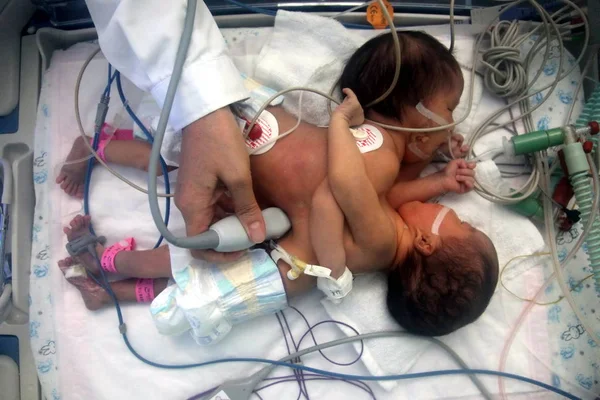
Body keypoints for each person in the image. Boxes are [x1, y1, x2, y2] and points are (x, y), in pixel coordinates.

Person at [57, 31, 499, 339]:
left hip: (268, 198)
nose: (454, 119)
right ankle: (109, 262)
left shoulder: (383, 216)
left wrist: (352, 133)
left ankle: (109, 260)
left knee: (190, 236)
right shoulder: (383, 170)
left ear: (425, 242)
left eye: (461, 222)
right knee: (192, 249)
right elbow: (370, 188)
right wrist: (435, 175)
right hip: (247, 155)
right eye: (451, 108)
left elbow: (351, 186)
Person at [83, 0, 267, 262]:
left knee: (166, 174)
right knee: (158, 164)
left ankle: (112, 265)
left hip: (213, 154)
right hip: (224, 120)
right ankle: (93, 147)